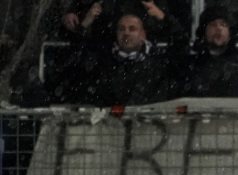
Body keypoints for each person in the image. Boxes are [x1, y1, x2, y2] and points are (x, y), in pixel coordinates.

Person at [51, 12, 179, 106]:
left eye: (132, 29)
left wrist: (163, 17)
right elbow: (76, 54)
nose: (126, 33)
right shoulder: (103, 60)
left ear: (143, 34)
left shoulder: (159, 60)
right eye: (121, 29)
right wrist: (83, 26)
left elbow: (181, 44)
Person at [183, 6, 238, 98]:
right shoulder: (190, 67)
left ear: (230, 32)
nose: (218, 28)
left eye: (223, 24)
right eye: (212, 24)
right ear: (204, 31)